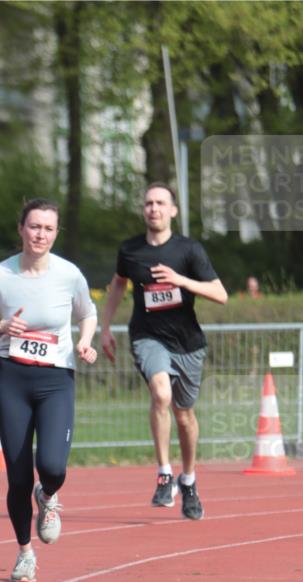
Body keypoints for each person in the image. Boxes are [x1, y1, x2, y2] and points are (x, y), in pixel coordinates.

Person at [0, 198, 98, 582]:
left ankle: (48, 495)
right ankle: (25, 553)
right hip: (13, 379)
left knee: (53, 467)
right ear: (21, 229)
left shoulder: (69, 274)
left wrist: (85, 341)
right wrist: (0, 328)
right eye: (34, 226)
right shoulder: (1, 275)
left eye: (48, 228)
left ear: (56, 233)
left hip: (56, 379)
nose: (40, 234)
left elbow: (88, 313)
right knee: (18, 477)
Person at [100, 182, 227, 519]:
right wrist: (105, 326)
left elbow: (221, 294)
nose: (153, 208)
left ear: (173, 210)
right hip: (147, 336)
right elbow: (118, 283)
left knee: (184, 416)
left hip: (187, 343)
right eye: (148, 203)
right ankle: (164, 474)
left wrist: (181, 281)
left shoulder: (189, 250)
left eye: (160, 203)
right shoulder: (130, 250)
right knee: (161, 394)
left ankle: (188, 480)